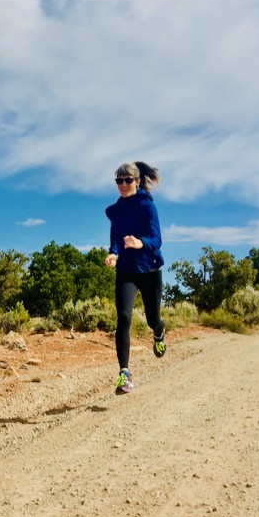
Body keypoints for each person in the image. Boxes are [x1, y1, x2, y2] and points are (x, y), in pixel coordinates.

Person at [104, 161, 166, 395]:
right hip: (126, 271)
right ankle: (124, 374)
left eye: (127, 180)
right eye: (119, 180)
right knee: (124, 318)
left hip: (149, 270)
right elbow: (115, 237)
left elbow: (156, 239)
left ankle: (159, 332)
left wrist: (141, 243)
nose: (122, 184)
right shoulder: (117, 211)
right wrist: (113, 253)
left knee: (153, 319)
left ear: (137, 182)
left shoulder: (147, 207)